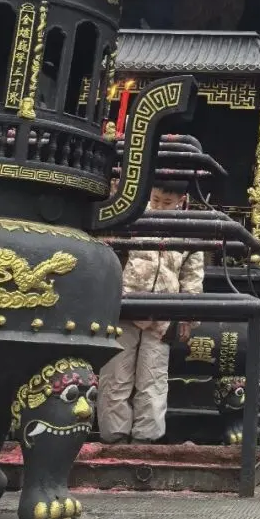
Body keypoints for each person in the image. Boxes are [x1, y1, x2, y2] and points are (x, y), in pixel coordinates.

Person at [96, 181, 203, 445]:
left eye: (167, 203)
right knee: (115, 375)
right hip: (124, 307)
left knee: (153, 377)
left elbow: (192, 278)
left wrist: (188, 316)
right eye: (155, 200)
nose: (159, 207)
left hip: (164, 313)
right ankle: (114, 437)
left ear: (181, 200)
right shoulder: (131, 216)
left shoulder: (189, 230)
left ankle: (146, 440)